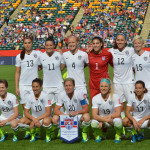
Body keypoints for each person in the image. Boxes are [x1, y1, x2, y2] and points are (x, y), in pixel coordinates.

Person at [15, 36, 42, 138]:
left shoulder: (37, 54)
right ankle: (28, 131)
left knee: (35, 109)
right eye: (25, 43)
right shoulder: (19, 56)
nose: (27, 44)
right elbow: (17, 72)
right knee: (25, 111)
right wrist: (17, 87)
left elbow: (44, 64)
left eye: (29, 43)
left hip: (34, 86)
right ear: (23, 44)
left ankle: (36, 130)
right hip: (23, 86)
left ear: (32, 43)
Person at [53, 78, 91, 142]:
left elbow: (87, 109)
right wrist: (65, 116)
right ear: (64, 86)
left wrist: (76, 112)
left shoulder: (80, 93)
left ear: (74, 86)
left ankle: (84, 132)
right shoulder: (61, 94)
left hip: (78, 116)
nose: (68, 88)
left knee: (87, 117)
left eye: (70, 85)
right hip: (67, 117)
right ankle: (62, 129)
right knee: (54, 118)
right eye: (66, 86)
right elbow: (56, 110)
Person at [109, 33, 135, 116]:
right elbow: (100, 53)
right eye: (118, 40)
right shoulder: (111, 51)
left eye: (122, 40)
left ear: (125, 41)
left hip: (129, 82)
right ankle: (124, 124)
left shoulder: (131, 50)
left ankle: (132, 125)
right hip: (117, 82)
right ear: (115, 41)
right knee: (120, 105)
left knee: (132, 104)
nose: (120, 42)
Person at [19, 78, 52, 142]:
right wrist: (33, 119)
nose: (35, 89)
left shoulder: (46, 95)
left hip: (44, 117)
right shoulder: (29, 96)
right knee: (21, 121)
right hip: (33, 118)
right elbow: (26, 112)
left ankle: (48, 134)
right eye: (33, 87)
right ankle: (33, 133)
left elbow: (48, 112)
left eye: (37, 87)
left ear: (41, 87)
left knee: (47, 121)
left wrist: (36, 120)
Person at [91, 78, 122, 143]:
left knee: (118, 122)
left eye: (105, 86)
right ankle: (99, 134)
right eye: (101, 86)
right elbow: (94, 115)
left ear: (109, 87)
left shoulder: (115, 96)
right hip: (102, 120)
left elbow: (118, 113)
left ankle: (118, 135)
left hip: (113, 119)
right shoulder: (95, 98)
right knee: (93, 123)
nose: (103, 88)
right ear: (99, 87)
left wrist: (106, 118)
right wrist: (105, 120)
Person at [39, 36, 64, 107]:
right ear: (44, 46)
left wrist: (62, 55)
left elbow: (62, 68)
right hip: (47, 86)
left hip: (58, 85)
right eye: (47, 45)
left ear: (54, 46)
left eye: (50, 45)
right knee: (48, 108)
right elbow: (39, 67)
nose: (48, 47)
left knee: (60, 107)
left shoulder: (59, 55)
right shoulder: (41, 56)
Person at [88, 36, 113, 102]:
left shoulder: (107, 54)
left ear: (101, 44)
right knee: (94, 106)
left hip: (104, 84)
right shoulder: (88, 54)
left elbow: (114, 65)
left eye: (97, 43)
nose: (95, 45)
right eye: (94, 43)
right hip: (93, 85)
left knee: (106, 105)